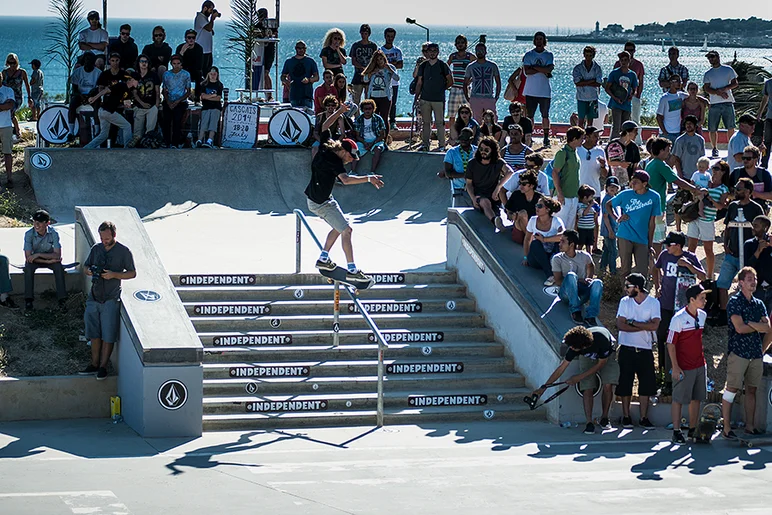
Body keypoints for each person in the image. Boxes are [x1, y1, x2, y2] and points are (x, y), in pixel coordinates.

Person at [305, 136, 384, 282]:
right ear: (342, 150)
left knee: (340, 226)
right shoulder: (336, 163)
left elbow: (325, 125)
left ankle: (323, 258)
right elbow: (346, 180)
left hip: (319, 198)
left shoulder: (325, 148)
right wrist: (369, 178)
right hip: (321, 203)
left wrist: (340, 112)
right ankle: (352, 270)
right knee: (346, 230)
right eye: (350, 156)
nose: (351, 160)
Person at [531, 326, 619, 434]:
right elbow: (561, 368)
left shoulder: (602, 340)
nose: (571, 349)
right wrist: (543, 388)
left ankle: (604, 418)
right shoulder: (574, 346)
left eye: (573, 348)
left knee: (608, 384)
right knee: (587, 386)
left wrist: (579, 377)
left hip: (607, 355)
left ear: (583, 346)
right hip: (588, 355)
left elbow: (601, 364)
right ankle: (589, 422)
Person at [79, 221, 136, 381]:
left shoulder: (123, 251)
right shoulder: (96, 249)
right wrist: (89, 271)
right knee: (94, 333)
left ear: (114, 235)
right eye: (102, 237)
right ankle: (94, 364)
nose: (104, 240)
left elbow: (132, 273)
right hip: (94, 296)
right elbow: (85, 266)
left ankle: (103, 366)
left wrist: (114, 274)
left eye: (107, 238)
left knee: (108, 334)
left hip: (111, 298)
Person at [722, 267, 771, 439]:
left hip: (755, 354)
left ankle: (750, 427)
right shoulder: (734, 302)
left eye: (755, 278)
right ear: (741, 282)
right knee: (732, 389)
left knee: (752, 390)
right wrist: (755, 324)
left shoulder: (759, 304)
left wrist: (750, 323)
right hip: (738, 353)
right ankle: (726, 428)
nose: (753, 281)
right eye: (749, 278)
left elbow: (767, 328)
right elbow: (739, 328)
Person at [653, 231, 707, 386]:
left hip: (683, 309)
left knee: (680, 340)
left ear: (677, 245)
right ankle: (663, 371)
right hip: (665, 305)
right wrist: (657, 286)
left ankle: (679, 369)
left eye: (669, 244)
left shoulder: (691, 257)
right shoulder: (664, 255)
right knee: (662, 336)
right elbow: (656, 269)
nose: (666, 246)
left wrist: (689, 266)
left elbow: (703, 277)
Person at [714, 178, 764, 327]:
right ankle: (723, 313)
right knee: (722, 284)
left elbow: (762, 230)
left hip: (749, 256)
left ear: (748, 191)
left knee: (749, 285)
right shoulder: (733, 207)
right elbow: (728, 226)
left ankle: (748, 313)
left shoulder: (756, 209)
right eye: (735, 188)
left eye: (739, 189)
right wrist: (725, 243)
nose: (736, 191)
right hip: (732, 254)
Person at [614, 272, 659, 430]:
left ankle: (643, 417)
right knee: (625, 383)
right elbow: (620, 324)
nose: (626, 289)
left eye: (628, 286)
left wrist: (632, 323)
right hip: (626, 348)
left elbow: (654, 325)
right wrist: (642, 326)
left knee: (646, 385)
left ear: (638, 288)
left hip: (645, 349)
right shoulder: (625, 302)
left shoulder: (653, 303)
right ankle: (626, 416)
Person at [667, 283, 710, 443]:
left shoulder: (703, 315)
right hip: (683, 366)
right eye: (701, 298)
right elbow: (670, 344)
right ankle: (677, 431)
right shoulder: (678, 319)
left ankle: (693, 429)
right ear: (691, 299)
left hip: (700, 364)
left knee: (697, 397)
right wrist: (676, 366)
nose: (705, 301)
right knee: (678, 399)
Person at [646, 137, 699, 254]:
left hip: (649, 206)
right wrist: (694, 189)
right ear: (661, 150)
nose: (669, 153)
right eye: (667, 150)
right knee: (658, 239)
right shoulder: (660, 165)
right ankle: (656, 265)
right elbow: (677, 180)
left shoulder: (650, 163)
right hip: (657, 208)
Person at [610, 171, 661, 278]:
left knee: (643, 271)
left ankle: (641, 293)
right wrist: (617, 218)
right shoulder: (625, 194)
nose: (632, 184)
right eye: (632, 182)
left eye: (636, 182)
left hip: (642, 237)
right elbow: (608, 204)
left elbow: (652, 223)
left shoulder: (654, 197)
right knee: (625, 269)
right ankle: (626, 293)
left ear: (644, 183)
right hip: (625, 235)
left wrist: (650, 244)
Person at [687, 161, 730, 278]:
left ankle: (710, 275)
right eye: (713, 168)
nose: (713, 171)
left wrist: (709, 198)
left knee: (708, 249)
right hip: (695, 217)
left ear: (723, 172)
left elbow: (720, 206)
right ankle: (689, 272)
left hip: (708, 219)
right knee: (691, 247)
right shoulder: (705, 181)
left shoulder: (723, 188)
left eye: (716, 168)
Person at [551, 230, 603, 326]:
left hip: (581, 292)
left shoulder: (584, 256)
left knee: (597, 282)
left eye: (563, 241)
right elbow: (558, 281)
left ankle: (591, 316)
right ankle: (575, 311)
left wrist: (589, 278)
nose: (559, 244)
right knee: (571, 275)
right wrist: (578, 280)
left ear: (571, 245)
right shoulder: (557, 259)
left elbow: (591, 266)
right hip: (566, 293)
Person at [85, 58, 135, 149]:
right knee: (127, 126)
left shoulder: (128, 91)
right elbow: (106, 90)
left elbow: (124, 103)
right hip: (108, 111)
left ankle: (87, 148)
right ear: (130, 80)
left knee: (104, 134)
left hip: (103, 111)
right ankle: (128, 149)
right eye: (135, 80)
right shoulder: (121, 85)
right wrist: (95, 98)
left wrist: (126, 105)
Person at [23, 210, 67, 311]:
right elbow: (28, 257)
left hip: (47, 259)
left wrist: (38, 254)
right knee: (28, 268)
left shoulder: (54, 233)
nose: (36, 225)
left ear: (47, 223)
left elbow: (57, 255)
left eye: (39, 222)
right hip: (37, 261)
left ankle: (62, 299)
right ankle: (28, 300)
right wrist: (47, 261)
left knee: (58, 267)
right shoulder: (29, 234)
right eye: (34, 222)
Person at [465, 137, 511, 230]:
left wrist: (498, 187)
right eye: (481, 149)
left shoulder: (498, 162)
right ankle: (495, 221)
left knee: (492, 205)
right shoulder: (472, 163)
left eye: (486, 150)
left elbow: (509, 172)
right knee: (485, 202)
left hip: (494, 196)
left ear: (492, 151)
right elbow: (469, 184)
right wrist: (473, 198)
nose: (483, 152)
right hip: (479, 195)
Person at [414, 42, 452, 152]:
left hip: (438, 99)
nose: (432, 53)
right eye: (430, 51)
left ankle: (441, 145)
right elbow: (419, 82)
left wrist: (441, 88)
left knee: (440, 122)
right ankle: (425, 144)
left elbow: (450, 80)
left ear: (438, 52)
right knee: (426, 122)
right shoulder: (423, 65)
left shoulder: (442, 65)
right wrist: (416, 97)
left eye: (434, 51)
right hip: (425, 98)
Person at [704, 50, 739, 157]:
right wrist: (718, 92)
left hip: (728, 102)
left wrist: (724, 89)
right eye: (709, 58)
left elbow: (735, 83)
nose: (711, 59)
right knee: (712, 128)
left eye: (713, 57)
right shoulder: (708, 73)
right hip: (714, 103)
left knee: (730, 127)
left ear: (718, 57)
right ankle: (714, 148)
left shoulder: (728, 70)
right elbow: (706, 88)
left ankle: (731, 147)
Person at [522, 32, 554, 147]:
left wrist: (534, 67)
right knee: (530, 116)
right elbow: (527, 71)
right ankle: (529, 137)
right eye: (537, 39)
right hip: (531, 90)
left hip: (544, 91)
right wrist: (543, 69)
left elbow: (549, 69)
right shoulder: (529, 55)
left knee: (545, 115)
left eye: (541, 39)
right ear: (534, 41)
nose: (539, 41)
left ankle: (546, 138)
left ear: (544, 40)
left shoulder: (549, 55)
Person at [523, 197, 564, 285]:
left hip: (551, 256)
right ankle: (550, 275)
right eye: (536, 205)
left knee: (558, 244)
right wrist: (525, 257)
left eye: (540, 206)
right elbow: (527, 239)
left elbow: (563, 236)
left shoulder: (556, 221)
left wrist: (544, 239)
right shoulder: (533, 220)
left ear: (547, 209)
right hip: (536, 260)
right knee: (535, 243)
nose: (537, 208)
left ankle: (557, 270)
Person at [553, 126, 585, 231]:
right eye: (581, 138)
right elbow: (555, 173)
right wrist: (559, 193)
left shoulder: (575, 152)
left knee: (570, 228)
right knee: (560, 227)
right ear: (574, 139)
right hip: (563, 196)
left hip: (573, 196)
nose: (582, 141)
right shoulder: (562, 153)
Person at [613, 42, 645, 145]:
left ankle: (637, 141)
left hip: (633, 97)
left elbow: (640, 81)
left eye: (631, 50)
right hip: (620, 98)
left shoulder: (639, 65)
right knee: (618, 122)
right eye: (627, 50)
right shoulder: (618, 64)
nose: (629, 52)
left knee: (635, 119)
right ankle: (616, 141)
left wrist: (637, 95)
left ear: (634, 51)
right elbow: (613, 82)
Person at [605, 51, 639, 141]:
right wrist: (615, 97)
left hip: (626, 104)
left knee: (626, 127)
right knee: (616, 126)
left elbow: (635, 88)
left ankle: (625, 143)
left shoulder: (632, 75)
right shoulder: (614, 73)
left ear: (629, 61)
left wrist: (632, 95)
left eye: (625, 60)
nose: (623, 62)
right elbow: (607, 88)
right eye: (622, 60)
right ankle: (613, 144)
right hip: (616, 103)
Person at [362, 50, 399, 131]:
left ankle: (385, 137)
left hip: (385, 97)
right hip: (373, 96)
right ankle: (374, 135)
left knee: (384, 118)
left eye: (381, 59)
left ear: (384, 58)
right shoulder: (372, 68)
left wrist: (390, 70)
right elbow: (365, 79)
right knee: (373, 117)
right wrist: (371, 73)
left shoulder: (390, 67)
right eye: (377, 60)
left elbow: (397, 78)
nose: (379, 62)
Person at [67, 52, 101, 141]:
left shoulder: (98, 73)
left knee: (97, 107)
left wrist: (90, 97)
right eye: (86, 59)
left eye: (90, 60)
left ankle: (97, 131)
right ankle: (71, 132)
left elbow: (98, 89)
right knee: (72, 105)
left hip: (93, 96)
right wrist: (81, 96)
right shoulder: (78, 72)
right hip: (80, 95)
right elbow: (74, 89)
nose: (88, 62)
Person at [440, 127, 477, 207]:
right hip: (459, 190)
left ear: (471, 140)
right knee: (459, 216)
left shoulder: (477, 151)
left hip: (476, 190)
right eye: (461, 139)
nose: (463, 141)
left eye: (465, 139)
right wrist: (465, 175)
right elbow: (448, 173)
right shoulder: (451, 152)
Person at [463, 43, 501, 122]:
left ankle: (491, 134)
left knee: (492, 119)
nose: (479, 52)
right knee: (476, 120)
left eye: (481, 50)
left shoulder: (493, 66)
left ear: (486, 52)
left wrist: (496, 97)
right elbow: (465, 83)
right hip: (475, 98)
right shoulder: (470, 66)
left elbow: (498, 82)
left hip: (489, 97)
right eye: (478, 50)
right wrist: (468, 98)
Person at [504, 169, 544, 244]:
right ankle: (531, 241)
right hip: (519, 230)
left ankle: (529, 240)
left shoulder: (540, 198)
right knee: (522, 214)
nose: (521, 186)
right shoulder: (516, 195)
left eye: (524, 184)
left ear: (532, 185)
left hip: (534, 228)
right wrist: (513, 215)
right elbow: (508, 212)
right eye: (520, 183)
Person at [129, 54, 161, 147]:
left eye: (145, 61)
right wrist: (141, 103)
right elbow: (134, 93)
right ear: (138, 63)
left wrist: (156, 105)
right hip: (139, 106)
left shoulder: (153, 75)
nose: (144, 63)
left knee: (149, 132)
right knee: (137, 134)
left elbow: (158, 91)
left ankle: (147, 145)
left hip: (152, 106)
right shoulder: (135, 75)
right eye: (142, 61)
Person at [730, 145, 772, 212]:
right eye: (743, 158)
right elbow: (728, 193)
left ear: (755, 159)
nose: (745, 160)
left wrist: (751, 192)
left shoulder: (764, 174)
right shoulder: (736, 173)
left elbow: (770, 196)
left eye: (748, 158)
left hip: (759, 210)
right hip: (739, 209)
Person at [447, 35, 475, 134]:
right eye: (458, 43)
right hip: (454, 89)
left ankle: (468, 134)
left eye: (462, 42)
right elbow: (446, 68)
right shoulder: (453, 56)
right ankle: (452, 135)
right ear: (455, 45)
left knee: (468, 113)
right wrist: (449, 81)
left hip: (466, 89)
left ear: (466, 44)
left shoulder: (470, 56)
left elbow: (477, 69)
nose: (460, 44)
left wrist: (470, 80)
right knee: (452, 114)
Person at [161, 55, 191, 149]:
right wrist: (168, 101)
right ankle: (166, 142)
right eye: (174, 64)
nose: (176, 65)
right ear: (171, 64)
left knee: (177, 121)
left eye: (178, 63)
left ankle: (175, 143)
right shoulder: (166, 74)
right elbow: (164, 89)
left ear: (181, 64)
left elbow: (188, 91)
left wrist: (178, 101)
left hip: (180, 101)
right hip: (168, 100)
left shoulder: (186, 74)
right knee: (166, 121)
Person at [744, 215, 772, 313]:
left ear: (765, 228)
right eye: (753, 224)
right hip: (756, 288)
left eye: (756, 225)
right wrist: (758, 251)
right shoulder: (749, 244)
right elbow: (747, 267)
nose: (752, 228)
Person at [281, 40, 319, 110]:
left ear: (305, 49)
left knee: (307, 116)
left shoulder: (310, 61)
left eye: (303, 48)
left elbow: (316, 77)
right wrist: (286, 82)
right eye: (299, 48)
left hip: (307, 95)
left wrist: (309, 80)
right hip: (294, 94)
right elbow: (283, 76)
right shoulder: (289, 62)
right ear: (296, 48)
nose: (301, 50)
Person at [351, 99, 387, 174]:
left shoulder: (378, 119)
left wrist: (373, 143)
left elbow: (382, 135)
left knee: (378, 149)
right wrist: (364, 143)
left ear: (373, 109)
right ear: (362, 110)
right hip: (363, 141)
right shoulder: (359, 120)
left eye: (370, 108)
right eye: (365, 109)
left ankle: (372, 171)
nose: (367, 111)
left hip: (376, 141)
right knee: (354, 150)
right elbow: (357, 136)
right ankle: (352, 171)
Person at [572, 46, 603, 128]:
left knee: (590, 122)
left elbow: (599, 83)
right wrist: (591, 81)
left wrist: (584, 82)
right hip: (581, 98)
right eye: (587, 55)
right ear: (584, 55)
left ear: (593, 56)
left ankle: (588, 137)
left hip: (593, 98)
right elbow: (577, 83)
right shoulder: (578, 68)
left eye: (590, 55)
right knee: (581, 121)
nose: (588, 57)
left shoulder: (597, 68)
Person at [2, 54, 30, 139]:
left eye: (14, 62)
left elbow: (27, 85)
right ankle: (16, 131)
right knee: (9, 113)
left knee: (11, 112)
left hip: (17, 97)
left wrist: (29, 97)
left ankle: (16, 131)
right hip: (7, 97)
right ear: (7, 63)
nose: (12, 65)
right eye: (10, 62)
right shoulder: (4, 73)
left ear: (17, 62)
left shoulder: (22, 72)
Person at [380, 28, 403, 131]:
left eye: (392, 36)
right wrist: (392, 64)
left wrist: (388, 64)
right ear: (385, 36)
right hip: (383, 82)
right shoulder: (380, 50)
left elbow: (400, 65)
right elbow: (379, 64)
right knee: (382, 102)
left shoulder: (397, 51)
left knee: (393, 102)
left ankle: (393, 122)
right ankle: (381, 121)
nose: (390, 38)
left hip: (394, 82)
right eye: (388, 36)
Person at [605, 120, 640, 187]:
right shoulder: (613, 144)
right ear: (627, 132)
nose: (637, 134)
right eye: (635, 131)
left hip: (628, 183)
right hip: (613, 182)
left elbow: (635, 165)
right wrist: (620, 164)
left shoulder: (634, 147)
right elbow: (607, 162)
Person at [350, 24, 378, 105]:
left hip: (369, 76)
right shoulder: (356, 45)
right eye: (362, 33)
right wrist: (362, 67)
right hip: (358, 75)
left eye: (365, 33)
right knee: (356, 99)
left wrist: (369, 70)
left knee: (369, 98)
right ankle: (357, 116)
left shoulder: (373, 46)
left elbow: (375, 61)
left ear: (368, 34)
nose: (363, 35)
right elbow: (353, 61)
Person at [576, 126, 607, 199]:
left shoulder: (600, 151)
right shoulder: (577, 150)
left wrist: (603, 166)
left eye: (598, 136)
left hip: (594, 193)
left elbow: (604, 174)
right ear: (586, 137)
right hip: (578, 192)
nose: (597, 138)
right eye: (595, 136)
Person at [672, 115, 706, 180]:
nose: (688, 125)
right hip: (685, 176)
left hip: (697, 176)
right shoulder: (680, 140)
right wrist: (680, 175)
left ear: (695, 125)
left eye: (691, 123)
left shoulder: (700, 140)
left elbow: (702, 158)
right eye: (687, 124)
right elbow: (676, 159)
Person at [656, 75, 688, 142]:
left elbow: (693, 96)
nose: (679, 83)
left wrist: (705, 101)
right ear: (671, 83)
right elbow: (659, 116)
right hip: (667, 133)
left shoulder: (681, 95)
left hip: (677, 132)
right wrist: (664, 132)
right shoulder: (664, 98)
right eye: (677, 81)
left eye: (680, 81)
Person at [197, 66, 223, 148]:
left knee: (213, 123)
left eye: (214, 74)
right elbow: (202, 96)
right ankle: (200, 140)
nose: (213, 76)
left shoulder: (219, 84)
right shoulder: (203, 84)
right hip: (206, 107)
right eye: (211, 74)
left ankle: (210, 140)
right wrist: (212, 95)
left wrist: (208, 96)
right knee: (204, 123)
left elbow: (218, 98)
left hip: (216, 107)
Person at [599, 176, 620, 275]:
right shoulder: (606, 200)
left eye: (615, 187)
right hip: (608, 229)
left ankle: (603, 267)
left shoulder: (613, 199)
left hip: (612, 228)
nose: (612, 188)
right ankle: (613, 270)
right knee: (613, 251)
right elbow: (605, 216)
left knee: (607, 249)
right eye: (610, 186)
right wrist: (610, 231)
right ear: (606, 188)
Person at [176, 29, 204, 102]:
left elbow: (199, 65)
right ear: (185, 38)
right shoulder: (180, 47)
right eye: (189, 37)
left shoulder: (199, 48)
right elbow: (175, 63)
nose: (191, 39)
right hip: (182, 70)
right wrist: (181, 53)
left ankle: (197, 97)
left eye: (193, 37)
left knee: (199, 74)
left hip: (193, 71)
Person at [194, 1, 219, 80]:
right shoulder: (200, 17)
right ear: (205, 8)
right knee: (202, 73)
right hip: (202, 50)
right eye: (210, 10)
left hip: (207, 50)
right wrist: (212, 19)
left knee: (207, 72)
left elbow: (211, 31)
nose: (211, 12)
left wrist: (211, 21)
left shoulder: (205, 19)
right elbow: (208, 28)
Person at [575, 185, 600, 255]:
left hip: (590, 228)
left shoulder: (590, 206)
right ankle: (577, 254)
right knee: (581, 243)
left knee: (589, 244)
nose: (592, 199)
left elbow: (593, 216)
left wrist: (596, 212)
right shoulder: (580, 205)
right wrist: (590, 205)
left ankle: (589, 255)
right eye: (591, 197)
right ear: (585, 197)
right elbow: (583, 213)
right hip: (582, 228)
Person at [0, 76, 14, 190]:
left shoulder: (8, 90)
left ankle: (9, 177)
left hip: (5, 125)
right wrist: (2, 106)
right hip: (5, 124)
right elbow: (5, 105)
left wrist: (4, 106)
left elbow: (9, 105)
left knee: (7, 152)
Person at [759, 73, 772, 168]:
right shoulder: (768, 83)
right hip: (770, 117)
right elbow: (765, 98)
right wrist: (760, 113)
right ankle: (764, 164)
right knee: (767, 142)